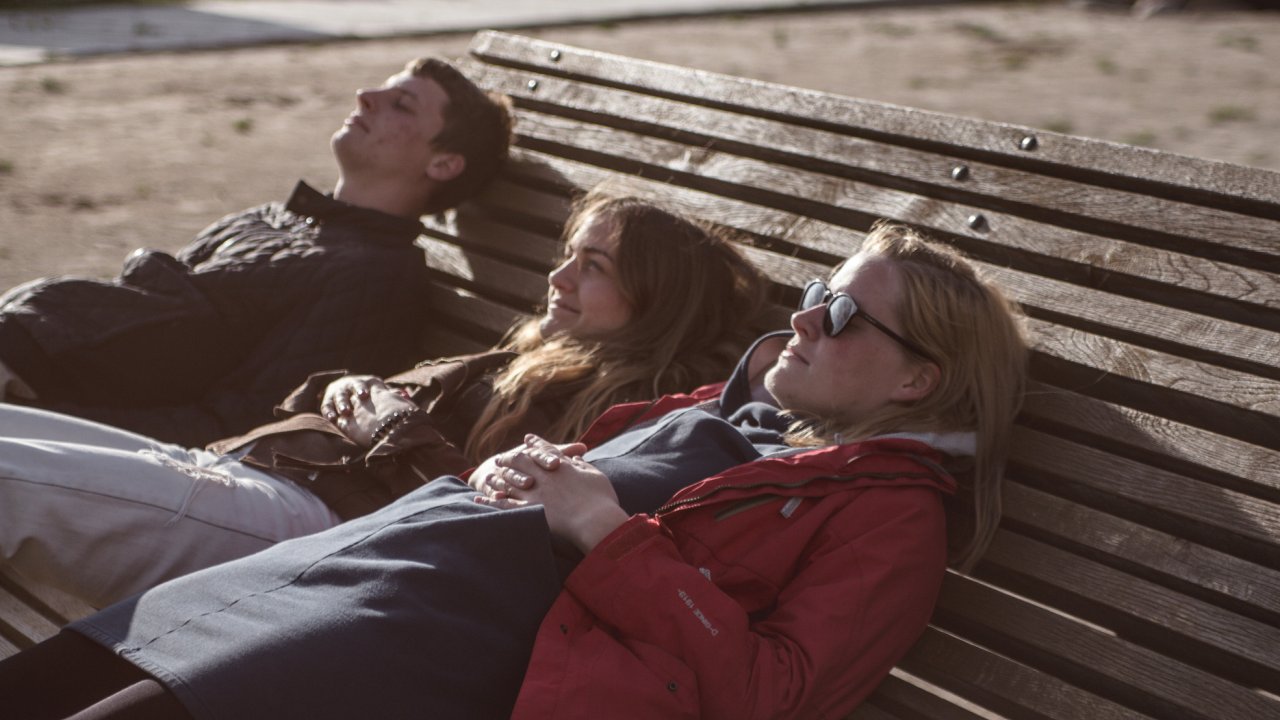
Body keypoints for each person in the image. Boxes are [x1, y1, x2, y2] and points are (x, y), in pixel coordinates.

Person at [0, 221, 1029, 719]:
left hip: (435, 643)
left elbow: (775, 693)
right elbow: (601, 470)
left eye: (840, 314)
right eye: (813, 293)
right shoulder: (744, 411)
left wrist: (605, 533)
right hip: (363, 566)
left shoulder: (892, 517)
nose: (803, 319)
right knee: (53, 681)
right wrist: (531, 467)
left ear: (916, 380)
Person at [0, 189, 766, 608]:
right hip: (265, 469)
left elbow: (479, 521)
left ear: (654, 301)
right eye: (567, 256)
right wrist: (344, 387)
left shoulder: (623, 409)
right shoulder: (524, 356)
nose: (558, 278)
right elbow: (335, 403)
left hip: (318, 527)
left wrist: (386, 417)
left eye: (592, 266)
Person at [0, 56, 512, 446]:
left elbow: (245, 422)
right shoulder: (275, 217)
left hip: (41, 393)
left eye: (401, 105)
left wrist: (46, 422)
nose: (365, 95)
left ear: (443, 164)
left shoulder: (375, 276)